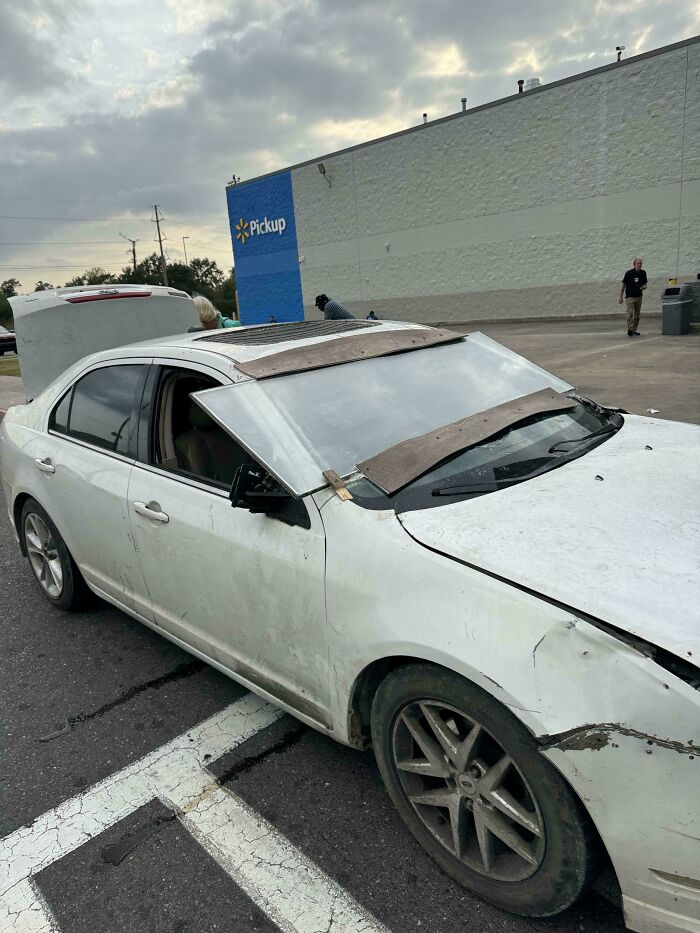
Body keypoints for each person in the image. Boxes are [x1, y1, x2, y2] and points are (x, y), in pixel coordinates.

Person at [619, 258, 648, 337]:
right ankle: (630, 329)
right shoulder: (629, 273)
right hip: (630, 297)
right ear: (634, 264)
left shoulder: (643, 273)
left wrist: (644, 287)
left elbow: (645, 284)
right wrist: (621, 297)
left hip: (639, 296)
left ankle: (634, 330)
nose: (639, 265)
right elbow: (623, 285)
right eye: (638, 263)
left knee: (637, 315)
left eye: (640, 263)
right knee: (630, 313)